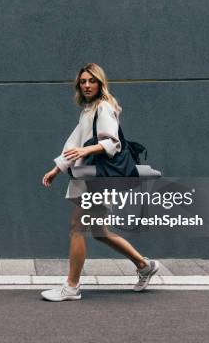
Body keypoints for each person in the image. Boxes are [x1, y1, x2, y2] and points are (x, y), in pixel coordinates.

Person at [40, 63, 160, 302]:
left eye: (91, 81)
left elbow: (111, 144)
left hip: (95, 179)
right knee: (99, 232)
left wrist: (87, 149)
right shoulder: (89, 110)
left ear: (100, 83)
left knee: (77, 229)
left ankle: (71, 287)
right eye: (83, 81)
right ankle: (144, 265)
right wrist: (57, 168)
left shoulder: (103, 107)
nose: (86, 85)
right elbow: (74, 144)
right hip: (90, 176)